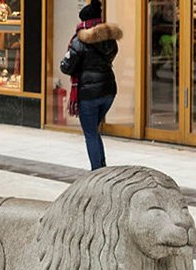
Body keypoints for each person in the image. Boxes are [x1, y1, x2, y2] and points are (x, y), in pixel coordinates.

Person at [60, 0, 120, 171]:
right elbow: (112, 55)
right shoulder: (109, 39)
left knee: (90, 133)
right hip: (108, 90)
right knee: (94, 129)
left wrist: (65, 63)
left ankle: (97, 171)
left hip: (89, 94)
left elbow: (67, 66)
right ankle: (101, 167)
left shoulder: (79, 41)